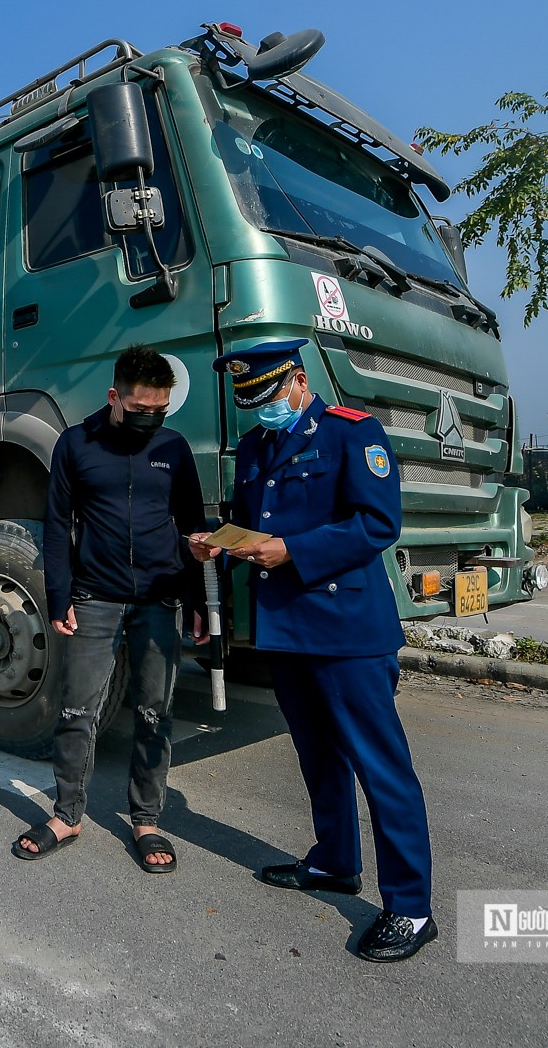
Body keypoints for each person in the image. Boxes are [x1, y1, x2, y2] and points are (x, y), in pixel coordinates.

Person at [190, 339, 437, 962]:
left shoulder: (353, 432)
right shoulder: (254, 447)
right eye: (252, 402)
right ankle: (333, 861)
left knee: (381, 766)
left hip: (347, 628)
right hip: (287, 627)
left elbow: (377, 523)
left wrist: (293, 552)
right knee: (318, 756)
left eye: (269, 395)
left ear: (297, 381)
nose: (262, 409)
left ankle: (410, 907)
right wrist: (219, 543)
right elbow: (253, 522)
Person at [13, 345, 208, 873]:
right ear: (114, 398)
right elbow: (57, 527)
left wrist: (198, 601)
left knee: (154, 712)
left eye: (160, 410)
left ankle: (146, 819)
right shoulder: (76, 445)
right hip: (94, 598)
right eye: (141, 409)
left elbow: (194, 529)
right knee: (78, 709)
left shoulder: (174, 447)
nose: (151, 420)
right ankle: (68, 812)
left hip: (158, 598)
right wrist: (60, 595)